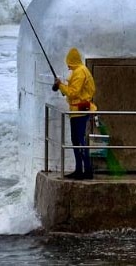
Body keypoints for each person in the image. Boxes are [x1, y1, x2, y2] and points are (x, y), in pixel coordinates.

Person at [54, 47, 96, 180]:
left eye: (69, 63)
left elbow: (73, 92)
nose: (67, 66)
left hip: (80, 111)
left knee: (79, 140)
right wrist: (62, 86)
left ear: (72, 61)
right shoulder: (80, 71)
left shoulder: (79, 72)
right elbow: (72, 91)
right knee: (76, 140)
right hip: (76, 111)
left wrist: (60, 85)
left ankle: (86, 170)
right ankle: (80, 169)